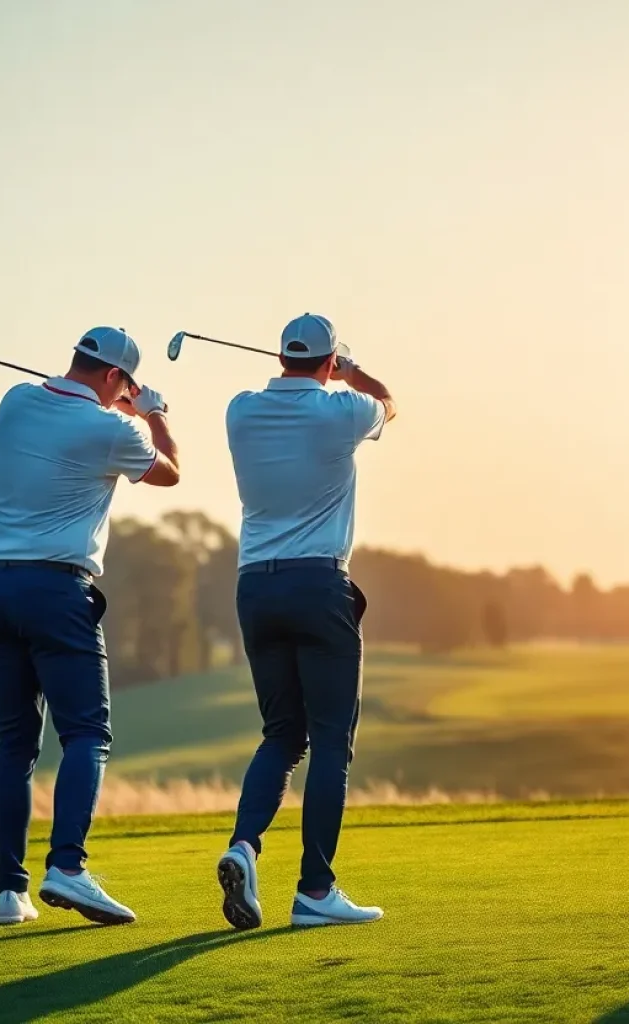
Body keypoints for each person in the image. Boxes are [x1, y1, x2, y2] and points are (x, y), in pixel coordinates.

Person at [0, 327, 179, 926]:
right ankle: (68, 865)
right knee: (88, 733)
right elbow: (170, 472)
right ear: (117, 379)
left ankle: (11, 893)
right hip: (54, 590)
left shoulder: (13, 402)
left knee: (14, 741)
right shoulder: (113, 429)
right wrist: (153, 413)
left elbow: (57, 404)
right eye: (124, 386)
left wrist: (112, 401)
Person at [218, 313, 395, 930]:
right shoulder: (339, 411)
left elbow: (288, 389)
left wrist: (324, 370)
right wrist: (351, 371)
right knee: (329, 745)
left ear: (280, 357)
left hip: (255, 588)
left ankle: (243, 846)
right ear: (326, 363)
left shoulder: (240, 410)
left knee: (281, 735)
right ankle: (315, 890)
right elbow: (388, 404)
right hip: (318, 585)